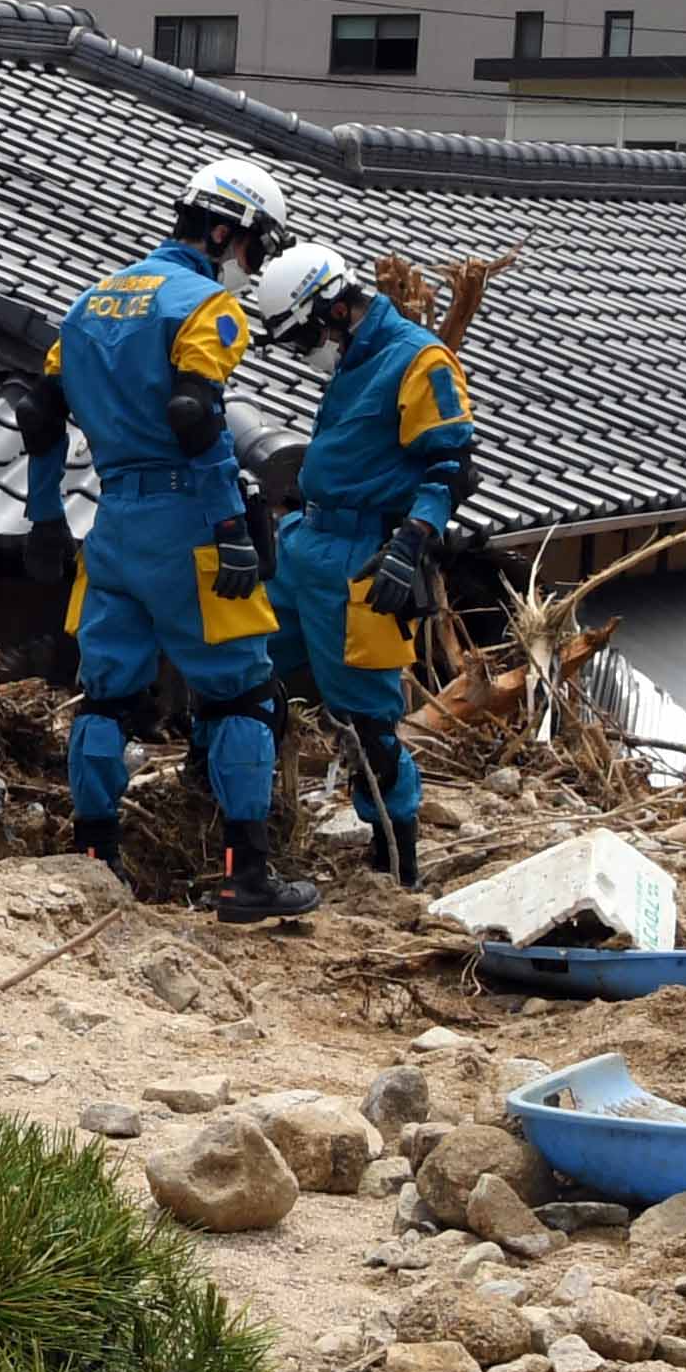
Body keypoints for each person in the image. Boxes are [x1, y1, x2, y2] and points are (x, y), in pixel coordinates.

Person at [38, 154, 315, 918]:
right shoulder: (205, 307)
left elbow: (39, 415)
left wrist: (42, 516)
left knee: (106, 695)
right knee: (241, 694)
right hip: (187, 520)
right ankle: (247, 878)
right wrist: (231, 527)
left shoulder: (89, 304)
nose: (252, 269)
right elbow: (196, 420)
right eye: (256, 250)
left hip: (112, 521)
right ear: (228, 231)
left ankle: (95, 855)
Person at [246, 240, 483, 890]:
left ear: (335, 309)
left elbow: (453, 465)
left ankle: (396, 855)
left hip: (361, 555)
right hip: (304, 539)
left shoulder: (416, 358)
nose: (304, 354)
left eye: (302, 340)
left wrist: (411, 542)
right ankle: (243, 817)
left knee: (365, 721)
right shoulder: (355, 356)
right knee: (242, 664)